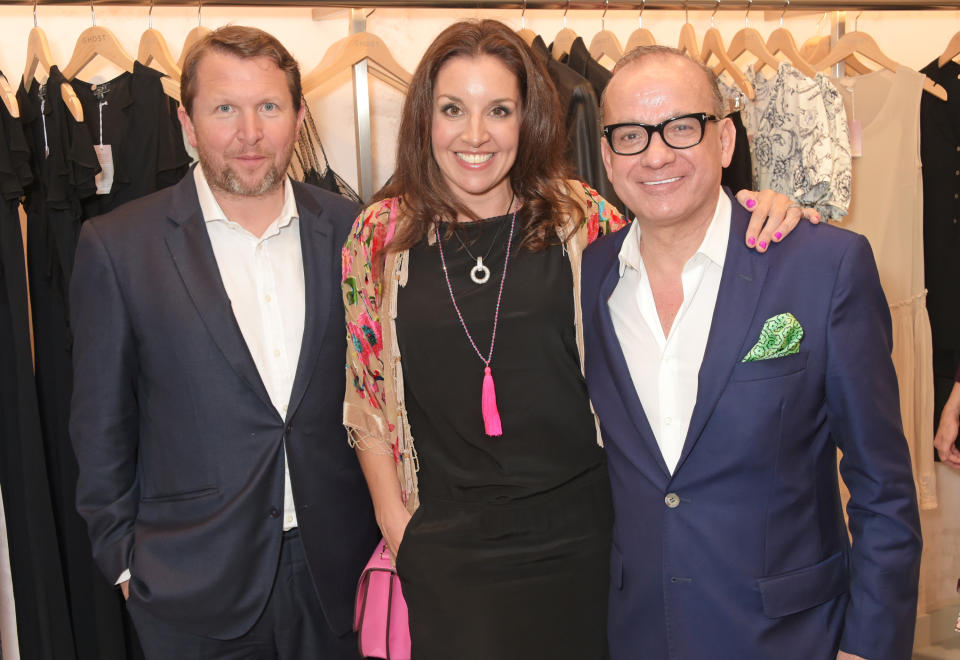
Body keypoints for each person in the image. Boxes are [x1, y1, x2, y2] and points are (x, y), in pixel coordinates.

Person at [341, 20, 810, 660]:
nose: (475, 135)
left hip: (586, 541)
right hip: (446, 552)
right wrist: (402, 533)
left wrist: (769, 208)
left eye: (498, 110)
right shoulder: (378, 238)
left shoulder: (581, 216)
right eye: (454, 109)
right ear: (425, 118)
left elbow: (684, 229)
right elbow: (366, 401)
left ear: (527, 119)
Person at [582, 45, 923, 660]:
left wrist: (869, 648)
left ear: (725, 141)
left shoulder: (822, 265)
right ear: (607, 155)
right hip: (641, 634)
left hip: (792, 638)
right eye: (630, 135)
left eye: (681, 127)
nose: (656, 154)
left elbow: (883, 487)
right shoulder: (593, 271)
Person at [69, 26, 378, 658]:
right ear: (187, 121)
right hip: (192, 588)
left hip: (340, 577)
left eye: (268, 106)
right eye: (224, 109)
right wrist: (127, 566)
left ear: (297, 114)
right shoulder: (119, 246)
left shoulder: (355, 231)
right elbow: (100, 426)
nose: (249, 134)